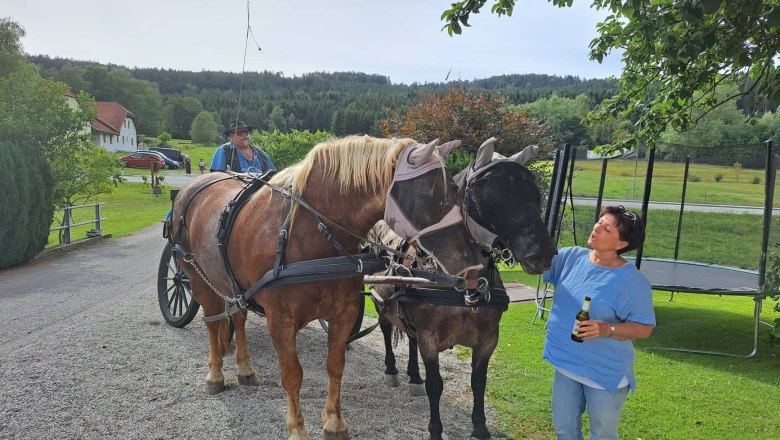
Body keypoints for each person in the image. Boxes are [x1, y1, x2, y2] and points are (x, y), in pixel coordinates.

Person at [542, 205, 655, 440]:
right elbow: (533, 263)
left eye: (607, 228)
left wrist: (607, 329)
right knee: (565, 431)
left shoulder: (632, 281)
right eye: (599, 222)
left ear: (621, 244)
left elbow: (644, 328)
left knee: (602, 434)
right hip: (566, 364)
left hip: (604, 373)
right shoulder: (570, 257)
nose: (597, 228)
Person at [210, 120, 275, 173]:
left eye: (246, 132)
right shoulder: (223, 151)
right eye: (239, 133)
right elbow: (217, 176)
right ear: (231, 136)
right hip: (235, 188)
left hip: (262, 188)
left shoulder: (261, 153)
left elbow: (273, 175)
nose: (244, 135)